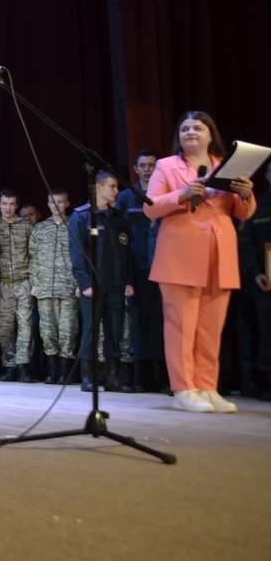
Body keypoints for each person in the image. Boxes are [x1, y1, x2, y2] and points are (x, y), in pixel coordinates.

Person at [143, 111, 256, 413]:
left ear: (210, 134)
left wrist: (246, 195)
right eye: (185, 128)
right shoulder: (167, 166)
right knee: (181, 325)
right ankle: (184, 389)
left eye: (197, 127)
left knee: (210, 327)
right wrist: (182, 193)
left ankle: (207, 386)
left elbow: (243, 212)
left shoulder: (225, 165)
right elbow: (150, 208)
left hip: (220, 253)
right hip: (180, 254)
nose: (191, 132)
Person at [69, 172, 135, 393]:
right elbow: (77, 253)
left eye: (116, 187)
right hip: (93, 284)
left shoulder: (118, 218)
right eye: (112, 186)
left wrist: (128, 281)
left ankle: (112, 376)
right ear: (98, 187)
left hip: (116, 282)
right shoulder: (81, 217)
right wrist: (84, 282)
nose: (116, 191)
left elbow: (126, 252)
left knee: (115, 330)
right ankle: (88, 376)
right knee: (91, 329)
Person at [116, 149, 166, 392]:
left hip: (163, 266)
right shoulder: (127, 197)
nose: (147, 169)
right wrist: (126, 277)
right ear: (135, 169)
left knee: (161, 322)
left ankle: (162, 377)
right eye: (143, 165)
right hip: (136, 269)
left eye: (151, 165)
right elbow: (120, 239)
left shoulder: (165, 195)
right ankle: (140, 378)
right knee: (137, 324)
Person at [29, 189, 78, 383]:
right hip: (45, 288)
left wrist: (78, 284)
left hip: (67, 287)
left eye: (60, 201)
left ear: (67, 204)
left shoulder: (75, 226)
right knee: (47, 332)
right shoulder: (40, 229)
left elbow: (81, 258)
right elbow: (33, 258)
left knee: (68, 331)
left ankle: (65, 372)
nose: (56, 205)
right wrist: (35, 283)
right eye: (52, 202)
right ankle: (52, 370)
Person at [237, 161, 271, 398]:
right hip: (264, 279)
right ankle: (266, 382)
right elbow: (246, 242)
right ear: (267, 175)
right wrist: (255, 272)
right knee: (266, 332)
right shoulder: (257, 205)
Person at [0, 188, 34, 382]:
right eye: (4, 204)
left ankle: (23, 365)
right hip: (3, 284)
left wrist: (33, 281)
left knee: (25, 324)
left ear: (16, 206)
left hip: (23, 281)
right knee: (5, 326)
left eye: (11, 204)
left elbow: (33, 254)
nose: (8, 208)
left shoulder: (26, 226)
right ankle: (9, 365)